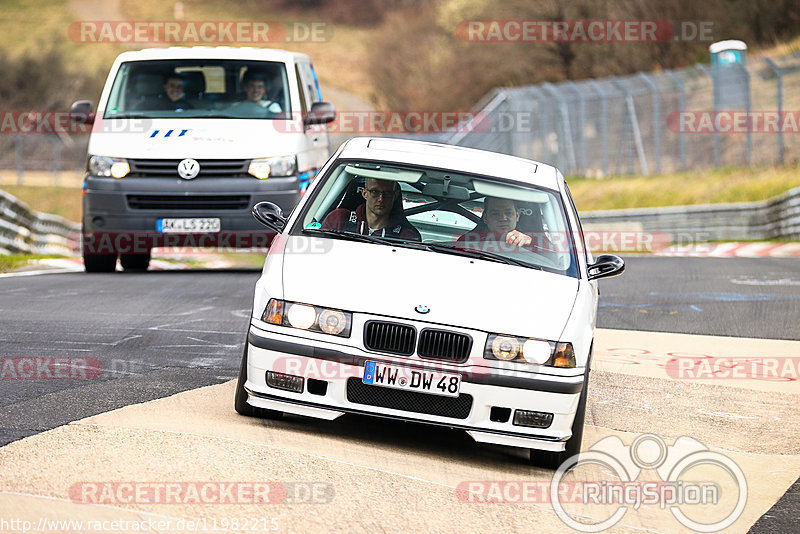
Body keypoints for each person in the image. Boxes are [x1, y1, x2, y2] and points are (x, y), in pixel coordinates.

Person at [321, 177, 421, 241]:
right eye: (374, 192)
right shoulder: (338, 219)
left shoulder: (407, 236)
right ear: (364, 193)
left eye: (387, 193)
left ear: (395, 196)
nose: (381, 199)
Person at [455, 196, 551, 252]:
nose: (503, 218)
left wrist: (531, 241)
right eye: (495, 213)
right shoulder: (469, 241)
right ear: (485, 218)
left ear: (517, 215)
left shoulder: (534, 242)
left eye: (508, 213)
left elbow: (557, 257)